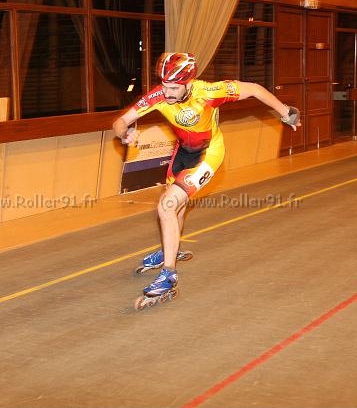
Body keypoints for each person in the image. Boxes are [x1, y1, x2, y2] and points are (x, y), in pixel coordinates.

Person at [112, 52, 301, 298]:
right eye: (164, 85)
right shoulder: (158, 95)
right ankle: (170, 249)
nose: (167, 92)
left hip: (207, 154)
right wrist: (124, 133)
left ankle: (169, 274)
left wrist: (286, 112)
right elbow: (120, 121)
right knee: (176, 209)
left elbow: (254, 89)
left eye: (173, 88)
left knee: (166, 206)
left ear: (188, 83)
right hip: (182, 153)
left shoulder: (209, 92)